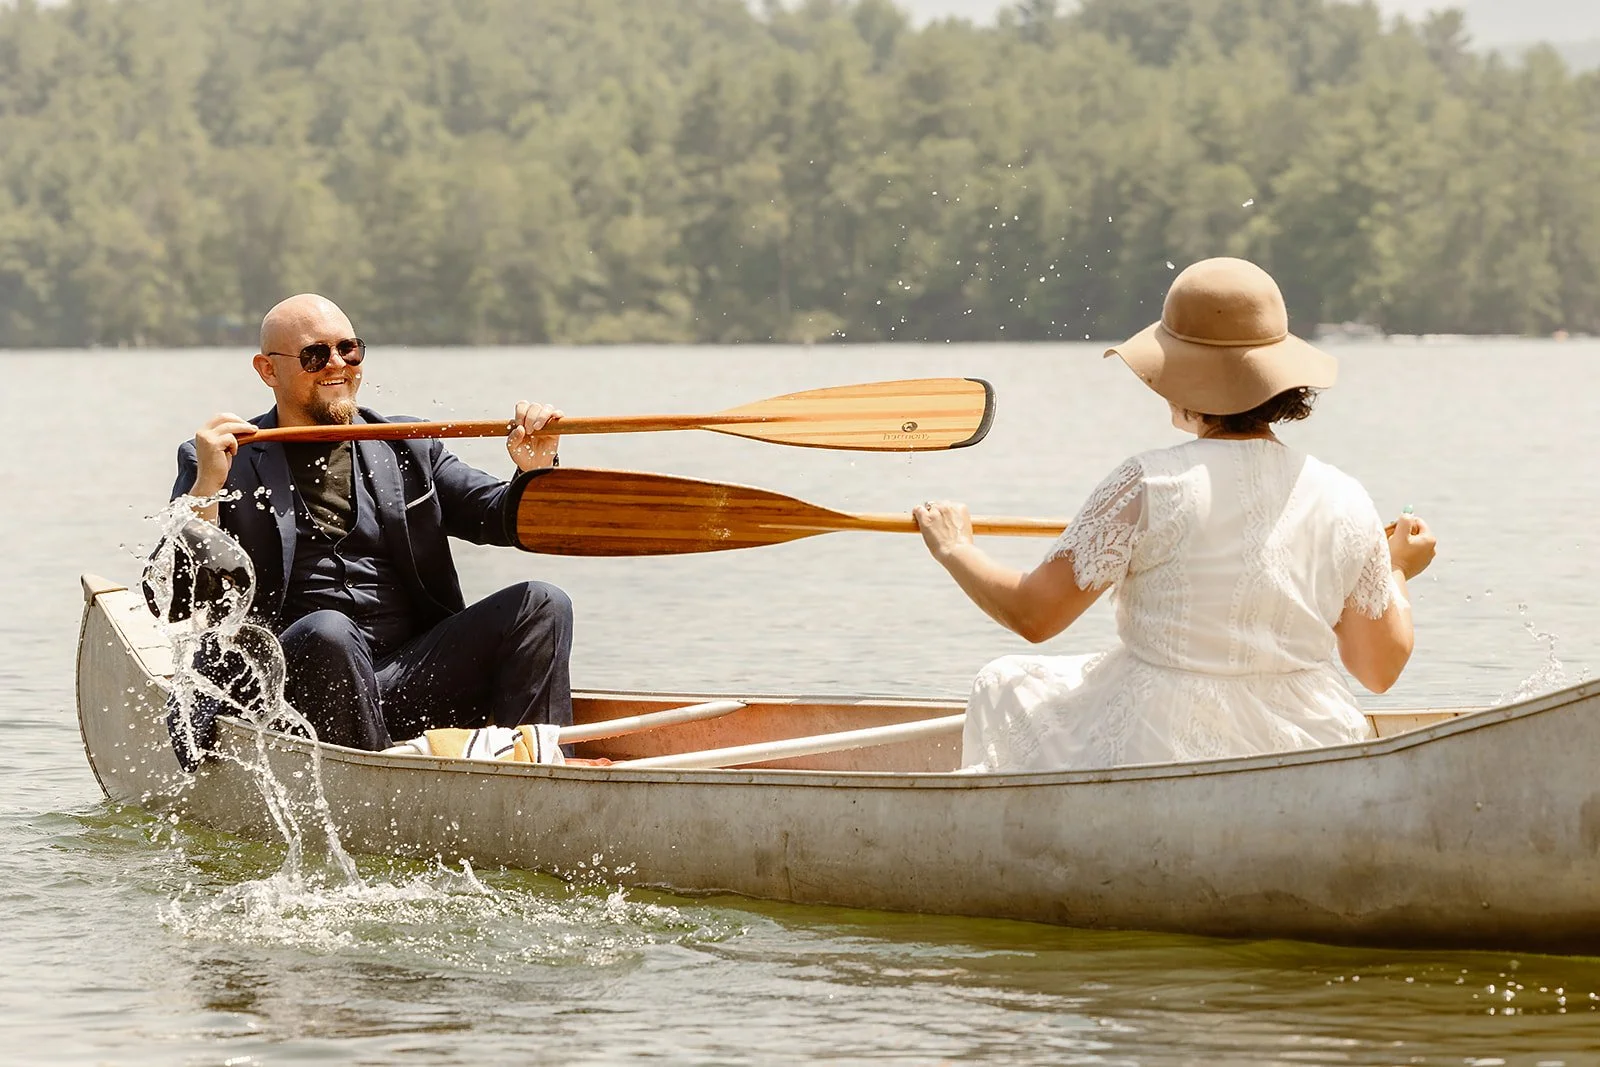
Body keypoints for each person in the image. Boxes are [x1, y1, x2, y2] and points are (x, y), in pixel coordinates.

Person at [914, 257, 1437, 772]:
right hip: (1310, 744)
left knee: (1006, 682)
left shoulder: (1148, 484)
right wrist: (1395, 570)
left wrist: (954, 547)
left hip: (1163, 740)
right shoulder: (1346, 498)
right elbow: (1379, 669)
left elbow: (1034, 615)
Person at [167, 293, 574, 754]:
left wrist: (535, 469)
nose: (337, 364)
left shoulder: (410, 445)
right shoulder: (221, 461)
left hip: (413, 677)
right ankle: (380, 779)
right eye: (315, 355)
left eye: (350, 349)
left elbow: (499, 517)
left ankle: (542, 771)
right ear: (267, 370)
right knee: (329, 630)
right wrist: (205, 491)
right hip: (291, 688)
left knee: (542, 602)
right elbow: (177, 599)